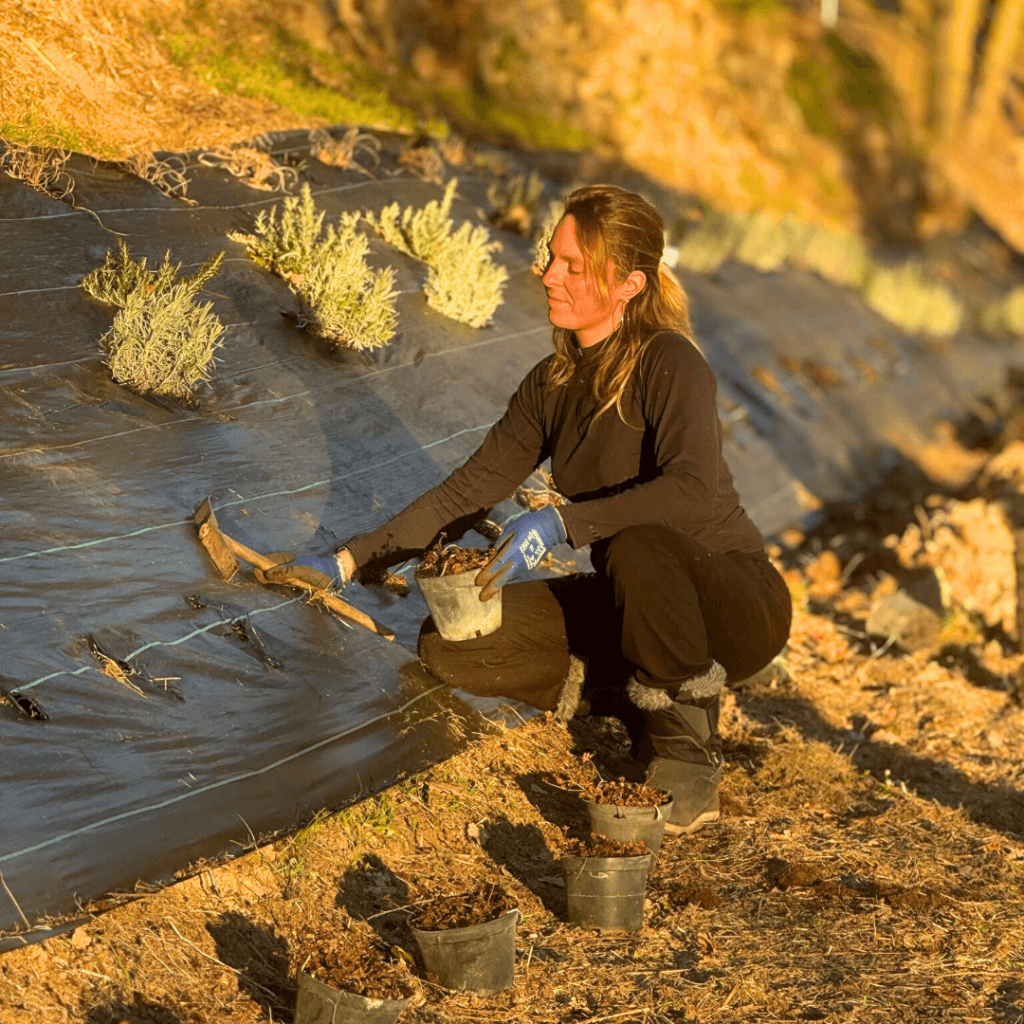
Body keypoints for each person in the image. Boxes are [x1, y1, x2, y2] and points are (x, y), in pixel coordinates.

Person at [265, 184, 792, 835]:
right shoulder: (553, 384)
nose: (548, 275)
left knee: (639, 544)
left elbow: (690, 490)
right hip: (640, 599)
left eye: (574, 265)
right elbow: (466, 492)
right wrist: (349, 560)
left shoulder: (671, 363)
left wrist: (561, 523)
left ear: (629, 284)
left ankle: (687, 756)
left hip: (734, 604)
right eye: (552, 257)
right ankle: (632, 698)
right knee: (454, 642)